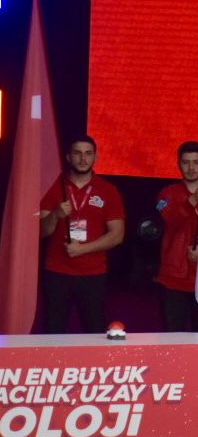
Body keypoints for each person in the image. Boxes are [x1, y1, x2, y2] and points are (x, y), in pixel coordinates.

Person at [38, 136, 125, 334]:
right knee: (53, 331)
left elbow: (117, 235)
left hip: (93, 274)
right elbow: (41, 232)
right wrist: (55, 214)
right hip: (57, 272)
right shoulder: (53, 186)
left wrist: (82, 249)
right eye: (77, 153)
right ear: (68, 157)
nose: (83, 159)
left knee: (95, 331)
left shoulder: (108, 190)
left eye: (88, 153)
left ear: (95, 157)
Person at [155, 141, 198, 332]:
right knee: (173, 335)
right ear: (178, 164)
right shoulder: (166, 194)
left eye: (196, 162)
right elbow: (166, 221)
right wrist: (191, 202)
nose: (191, 168)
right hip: (173, 279)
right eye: (186, 162)